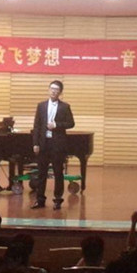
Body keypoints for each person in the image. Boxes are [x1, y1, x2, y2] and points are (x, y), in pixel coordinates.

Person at [30, 80, 75, 210]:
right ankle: (40, 199)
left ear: (60, 92)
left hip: (57, 144)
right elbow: (37, 126)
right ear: (49, 89)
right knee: (41, 173)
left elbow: (71, 123)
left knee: (58, 173)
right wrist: (35, 143)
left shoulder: (65, 107)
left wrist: (56, 125)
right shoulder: (41, 106)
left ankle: (57, 200)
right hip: (43, 143)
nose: (53, 91)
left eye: (56, 89)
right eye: (52, 88)